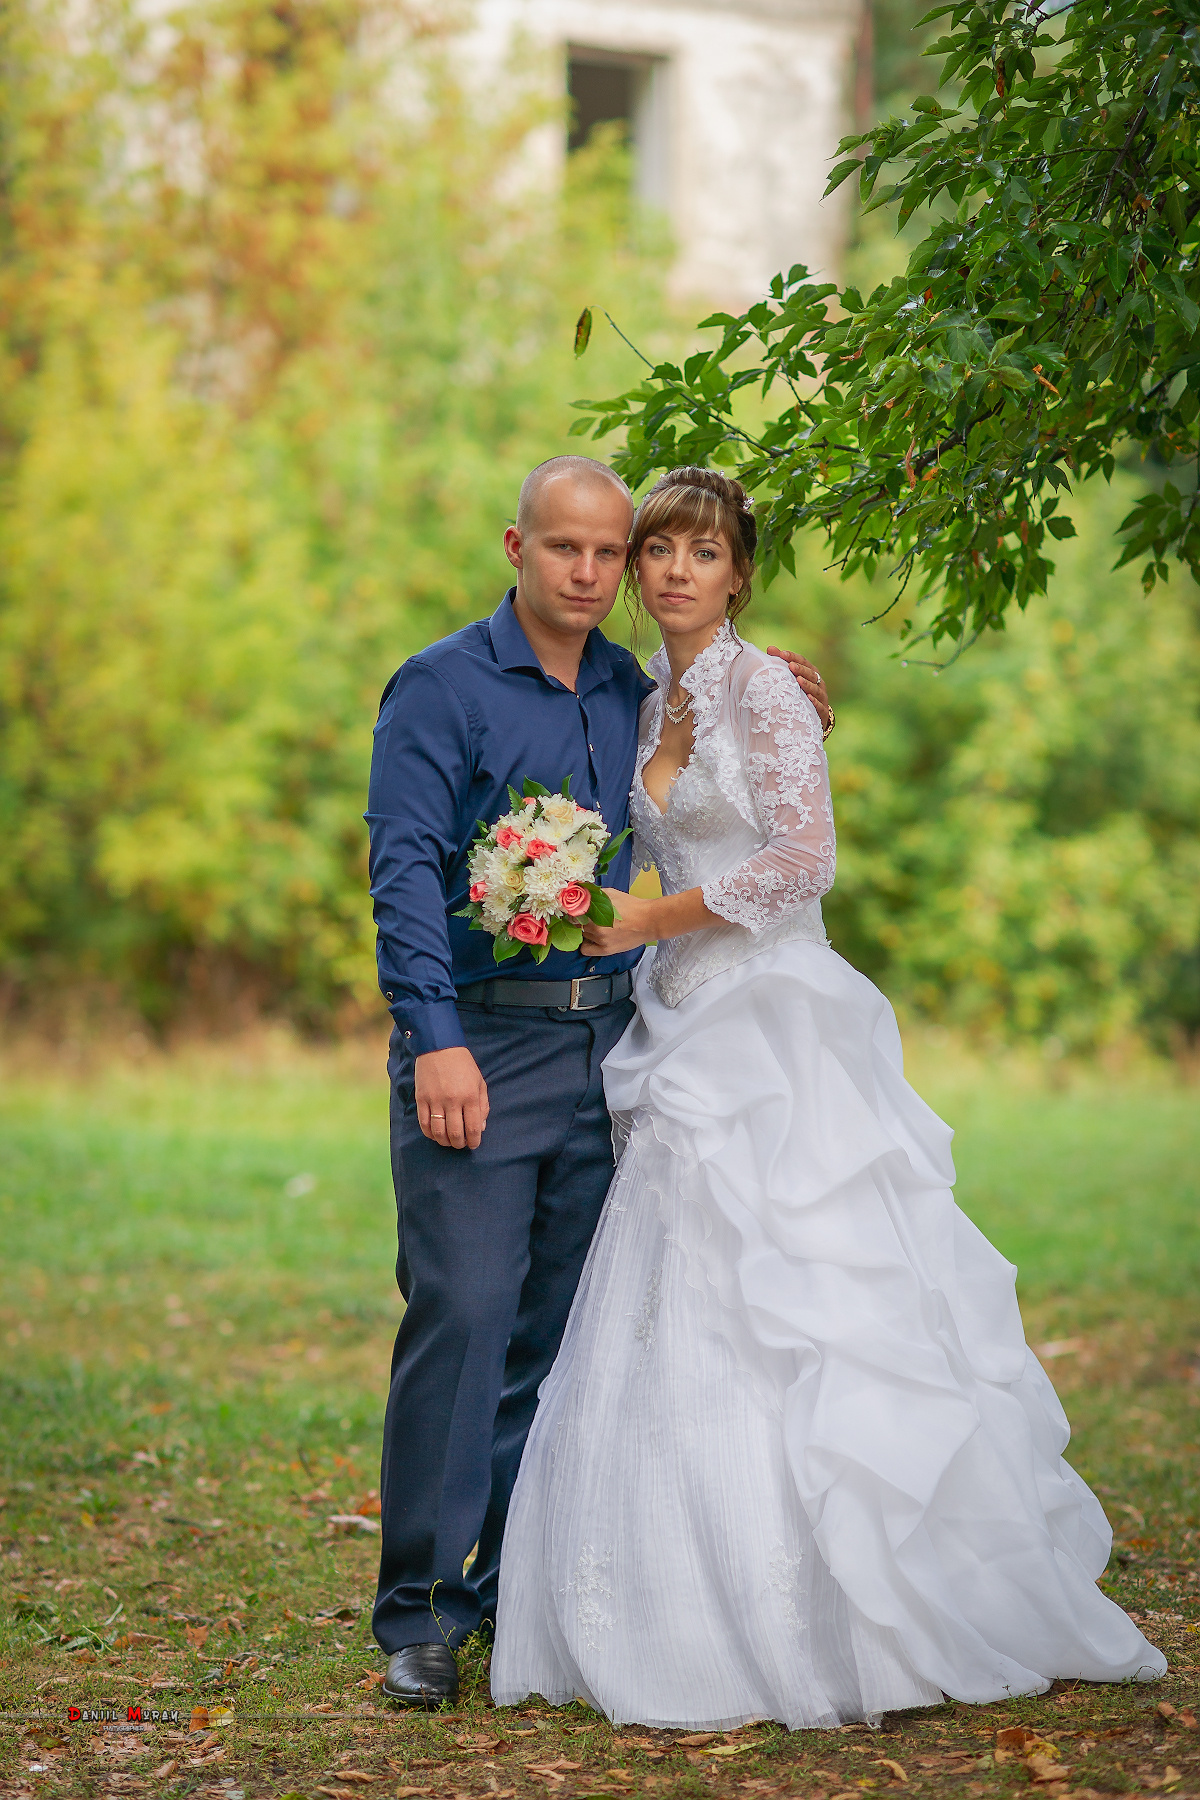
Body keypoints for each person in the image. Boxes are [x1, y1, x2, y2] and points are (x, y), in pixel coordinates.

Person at [490, 467, 1166, 1728]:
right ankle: (676, 1590)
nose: (678, 571)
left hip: (772, 1019)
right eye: (659, 551)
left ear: (741, 574)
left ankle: (843, 1601)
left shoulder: (760, 687)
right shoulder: (647, 701)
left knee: (807, 1288)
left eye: (706, 552)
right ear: (634, 571)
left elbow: (807, 858)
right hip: (679, 1016)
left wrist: (653, 916)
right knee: (674, 1290)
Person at [364, 456, 830, 1708]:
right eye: (563, 547)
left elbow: (713, 736)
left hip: (614, 1048)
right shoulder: (441, 686)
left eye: (609, 553)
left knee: (566, 1334)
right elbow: (404, 869)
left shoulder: (634, 683)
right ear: (515, 546)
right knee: (461, 1317)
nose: (588, 571)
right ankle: (419, 1613)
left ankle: (527, 1585)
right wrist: (434, 1037)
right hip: (484, 1044)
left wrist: (770, 683)